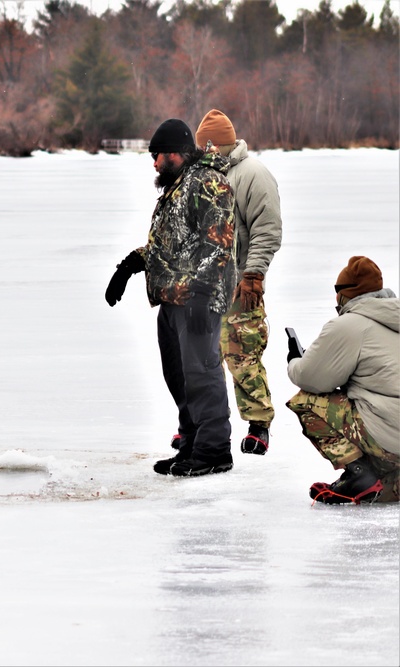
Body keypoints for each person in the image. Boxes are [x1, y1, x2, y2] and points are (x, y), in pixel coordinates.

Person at [105, 118, 237, 476]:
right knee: (178, 375)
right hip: (172, 299)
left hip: (197, 300)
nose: (154, 163)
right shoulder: (176, 187)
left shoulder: (207, 183)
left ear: (176, 154)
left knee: (202, 373)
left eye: (157, 156)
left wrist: (203, 291)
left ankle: (214, 451)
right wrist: (130, 265)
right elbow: (167, 245)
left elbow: (218, 242)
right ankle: (192, 442)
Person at [185, 109, 282, 457]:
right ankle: (203, 424)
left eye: (203, 147)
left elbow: (266, 229)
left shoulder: (252, 174)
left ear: (215, 145)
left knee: (242, 353)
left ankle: (259, 426)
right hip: (203, 285)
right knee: (200, 359)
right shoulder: (201, 177)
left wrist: (253, 275)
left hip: (240, 285)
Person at [286, 256, 399, 504]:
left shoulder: (349, 325)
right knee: (386, 494)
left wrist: (294, 360)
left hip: (389, 434)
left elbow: (311, 379)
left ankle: (360, 474)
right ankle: (380, 480)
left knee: (307, 400)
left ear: (344, 294)